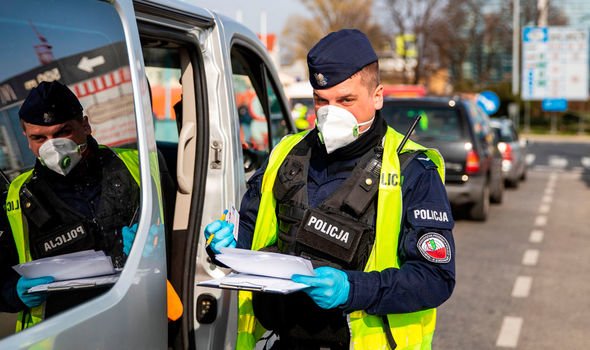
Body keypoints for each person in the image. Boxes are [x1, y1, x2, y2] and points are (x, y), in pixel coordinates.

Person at [205, 29, 455, 349]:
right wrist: (224, 246)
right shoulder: (286, 154)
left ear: (377, 96)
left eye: (346, 100)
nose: (330, 113)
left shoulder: (412, 169)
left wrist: (353, 290)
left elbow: (435, 278)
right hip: (283, 341)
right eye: (321, 101)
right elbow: (252, 236)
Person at [0, 81, 144, 331]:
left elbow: (183, 231)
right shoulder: (18, 196)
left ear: (85, 125)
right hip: (61, 332)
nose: (52, 146)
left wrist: (155, 243)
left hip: (137, 316)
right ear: (26, 139)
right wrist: (13, 291)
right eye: (39, 138)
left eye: (61, 133)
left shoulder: (138, 166)